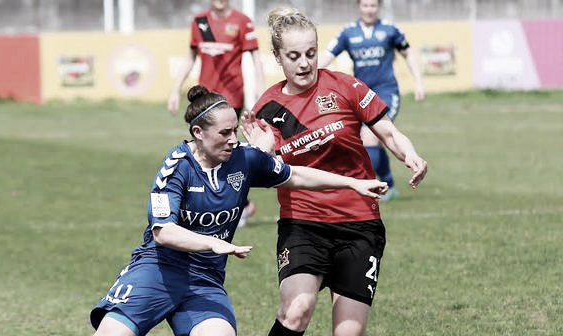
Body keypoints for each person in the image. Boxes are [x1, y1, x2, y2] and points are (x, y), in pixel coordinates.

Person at [90, 85, 389, 336]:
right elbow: (163, 232)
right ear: (198, 132)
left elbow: (295, 175)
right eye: (224, 133)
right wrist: (213, 243)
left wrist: (352, 184)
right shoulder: (175, 167)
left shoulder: (245, 159)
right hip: (157, 271)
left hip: (204, 280)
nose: (233, 139)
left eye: (235, 130)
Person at [242, 7, 428, 336]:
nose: (304, 63)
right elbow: (259, 169)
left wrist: (409, 154)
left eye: (311, 54)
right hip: (302, 223)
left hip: (359, 223)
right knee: (296, 310)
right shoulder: (267, 109)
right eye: (294, 55)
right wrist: (262, 153)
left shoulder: (345, 86)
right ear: (278, 57)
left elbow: (387, 132)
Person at [167, 0, 266, 226]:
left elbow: (257, 60)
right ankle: (238, 204)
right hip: (205, 100)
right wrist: (175, 89)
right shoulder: (200, 22)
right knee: (205, 152)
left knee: (224, 152)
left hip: (230, 99)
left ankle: (237, 205)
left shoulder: (242, 22)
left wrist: (262, 95)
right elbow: (191, 57)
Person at [318, 0, 426, 201]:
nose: (369, 9)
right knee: (371, 139)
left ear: (379, 7)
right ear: (359, 6)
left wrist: (419, 82)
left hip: (386, 93)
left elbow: (408, 53)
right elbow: (327, 55)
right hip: (359, 95)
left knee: (370, 137)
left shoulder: (390, 29)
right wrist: (308, 75)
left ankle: (365, 190)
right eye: (365, 5)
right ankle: (389, 184)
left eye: (373, 5)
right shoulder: (347, 32)